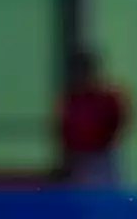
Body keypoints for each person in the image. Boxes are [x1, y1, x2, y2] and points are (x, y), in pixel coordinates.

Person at [55, 49, 129, 188]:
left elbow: (118, 124)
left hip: (103, 158)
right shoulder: (71, 101)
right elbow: (64, 131)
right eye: (77, 72)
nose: (81, 76)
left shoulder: (108, 100)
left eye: (84, 71)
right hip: (78, 161)